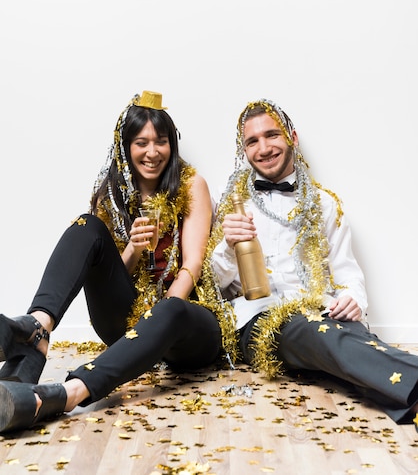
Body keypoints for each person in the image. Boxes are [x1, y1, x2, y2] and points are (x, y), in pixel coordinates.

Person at [0, 91, 236, 434]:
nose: (152, 152)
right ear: (125, 147)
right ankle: (38, 326)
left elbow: (193, 264)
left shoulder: (190, 184)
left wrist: (160, 317)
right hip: (127, 323)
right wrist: (133, 251)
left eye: (161, 142)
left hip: (187, 326)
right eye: (141, 142)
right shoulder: (110, 193)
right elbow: (104, 277)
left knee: (170, 308)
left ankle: (66, 394)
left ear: (172, 145)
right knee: (86, 226)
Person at [206, 98, 418, 426]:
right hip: (261, 321)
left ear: (292, 135)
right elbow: (215, 287)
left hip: (321, 311)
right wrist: (227, 245)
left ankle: (408, 402)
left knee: (348, 338)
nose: (263, 148)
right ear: (244, 150)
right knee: (322, 334)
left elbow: (347, 273)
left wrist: (353, 301)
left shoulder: (325, 204)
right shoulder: (232, 200)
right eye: (252, 141)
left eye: (272, 135)